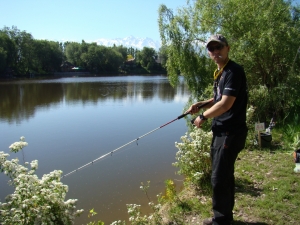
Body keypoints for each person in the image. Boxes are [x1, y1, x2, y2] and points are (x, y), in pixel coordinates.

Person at [186, 34, 248, 225]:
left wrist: (203, 117)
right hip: (222, 131)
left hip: (230, 133)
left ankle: (221, 221)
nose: (215, 52)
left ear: (227, 48)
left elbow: (226, 104)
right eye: (211, 49)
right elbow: (219, 99)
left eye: (218, 48)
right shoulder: (222, 72)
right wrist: (202, 104)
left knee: (219, 179)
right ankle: (225, 218)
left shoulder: (233, 71)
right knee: (224, 176)